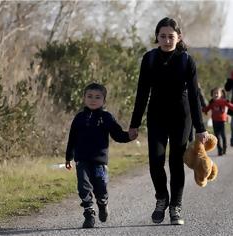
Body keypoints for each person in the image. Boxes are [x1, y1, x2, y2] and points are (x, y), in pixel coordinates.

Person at [128, 17, 208, 225]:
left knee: (175, 163)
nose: (166, 40)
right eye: (162, 36)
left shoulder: (186, 60)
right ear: (157, 37)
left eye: (170, 36)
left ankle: (176, 207)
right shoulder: (150, 59)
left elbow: (193, 96)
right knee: (155, 160)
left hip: (182, 117)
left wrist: (200, 128)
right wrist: (134, 123)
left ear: (178, 37)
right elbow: (142, 93)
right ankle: (162, 198)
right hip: (156, 116)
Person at [65, 83, 133, 228]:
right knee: (83, 186)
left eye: (97, 97)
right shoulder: (79, 118)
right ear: (84, 98)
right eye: (89, 96)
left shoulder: (107, 117)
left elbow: (118, 134)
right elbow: (72, 138)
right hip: (81, 160)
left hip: (100, 162)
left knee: (101, 188)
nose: (93, 100)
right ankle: (89, 213)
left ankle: (102, 205)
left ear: (104, 100)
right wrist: (68, 157)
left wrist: (129, 136)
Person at [203, 87, 233, 156]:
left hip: (222, 121)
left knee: (223, 136)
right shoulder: (212, 102)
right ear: (212, 95)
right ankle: (220, 150)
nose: (215, 95)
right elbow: (207, 108)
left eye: (217, 93)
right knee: (217, 137)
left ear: (221, 94)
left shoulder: (224, 101)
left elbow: (231, 106)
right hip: (215, 121)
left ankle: (224, 148)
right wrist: (203, 110)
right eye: (214, 93)